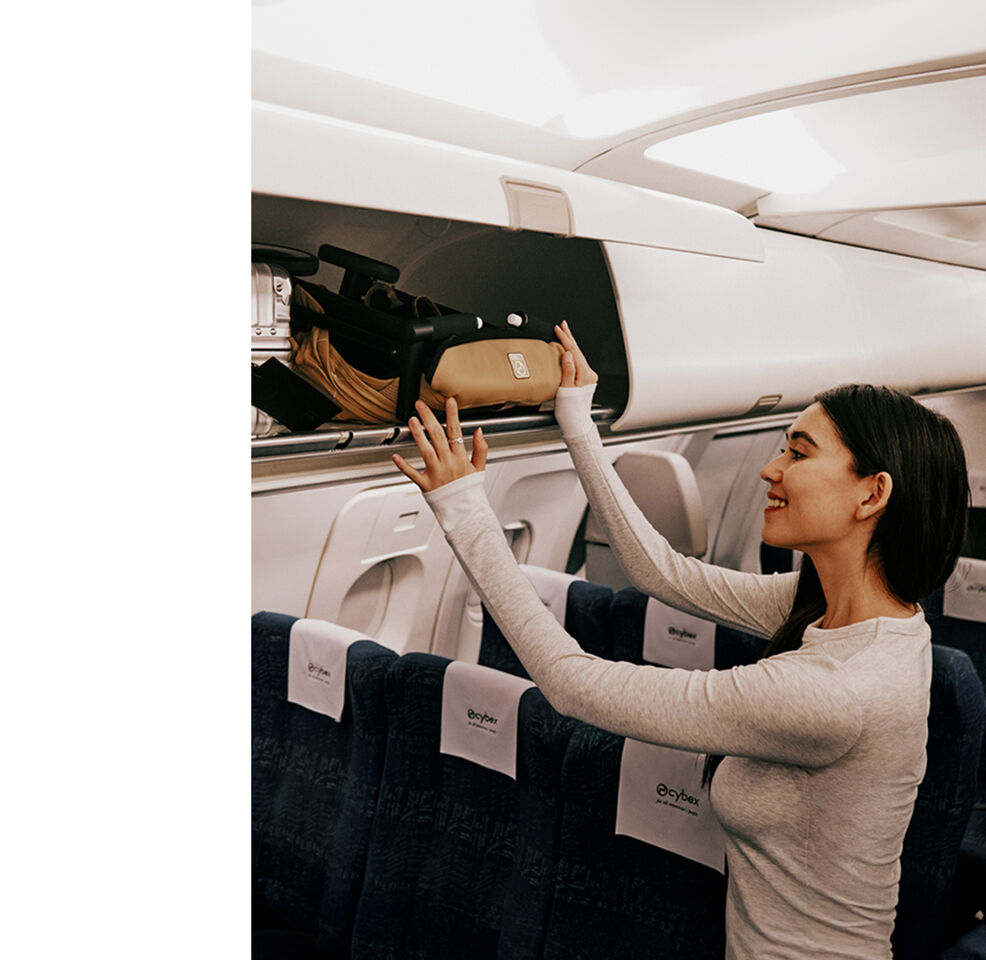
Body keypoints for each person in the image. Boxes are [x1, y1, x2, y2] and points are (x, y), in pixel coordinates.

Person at [392, 321, 970, 960]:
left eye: (799, 453)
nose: (770, 470)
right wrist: (579, 422)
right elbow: (662, 572)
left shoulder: (837, 692)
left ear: (872, 493)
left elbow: (573, 683)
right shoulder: (848, 613)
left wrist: (466, 510)